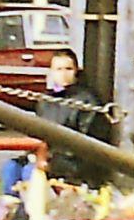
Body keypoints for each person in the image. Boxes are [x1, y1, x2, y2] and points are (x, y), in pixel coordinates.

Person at [34, 48, 114, 185]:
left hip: (74, 162)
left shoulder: (88, 101)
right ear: (51, 72)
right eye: (58, 69)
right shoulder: (45, 101)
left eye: (68, 69)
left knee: (31, 174)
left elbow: (89, 143)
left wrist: (50, 160)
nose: (63, 74)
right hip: (50, 157)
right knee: (12, 168)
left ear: (76, 70)